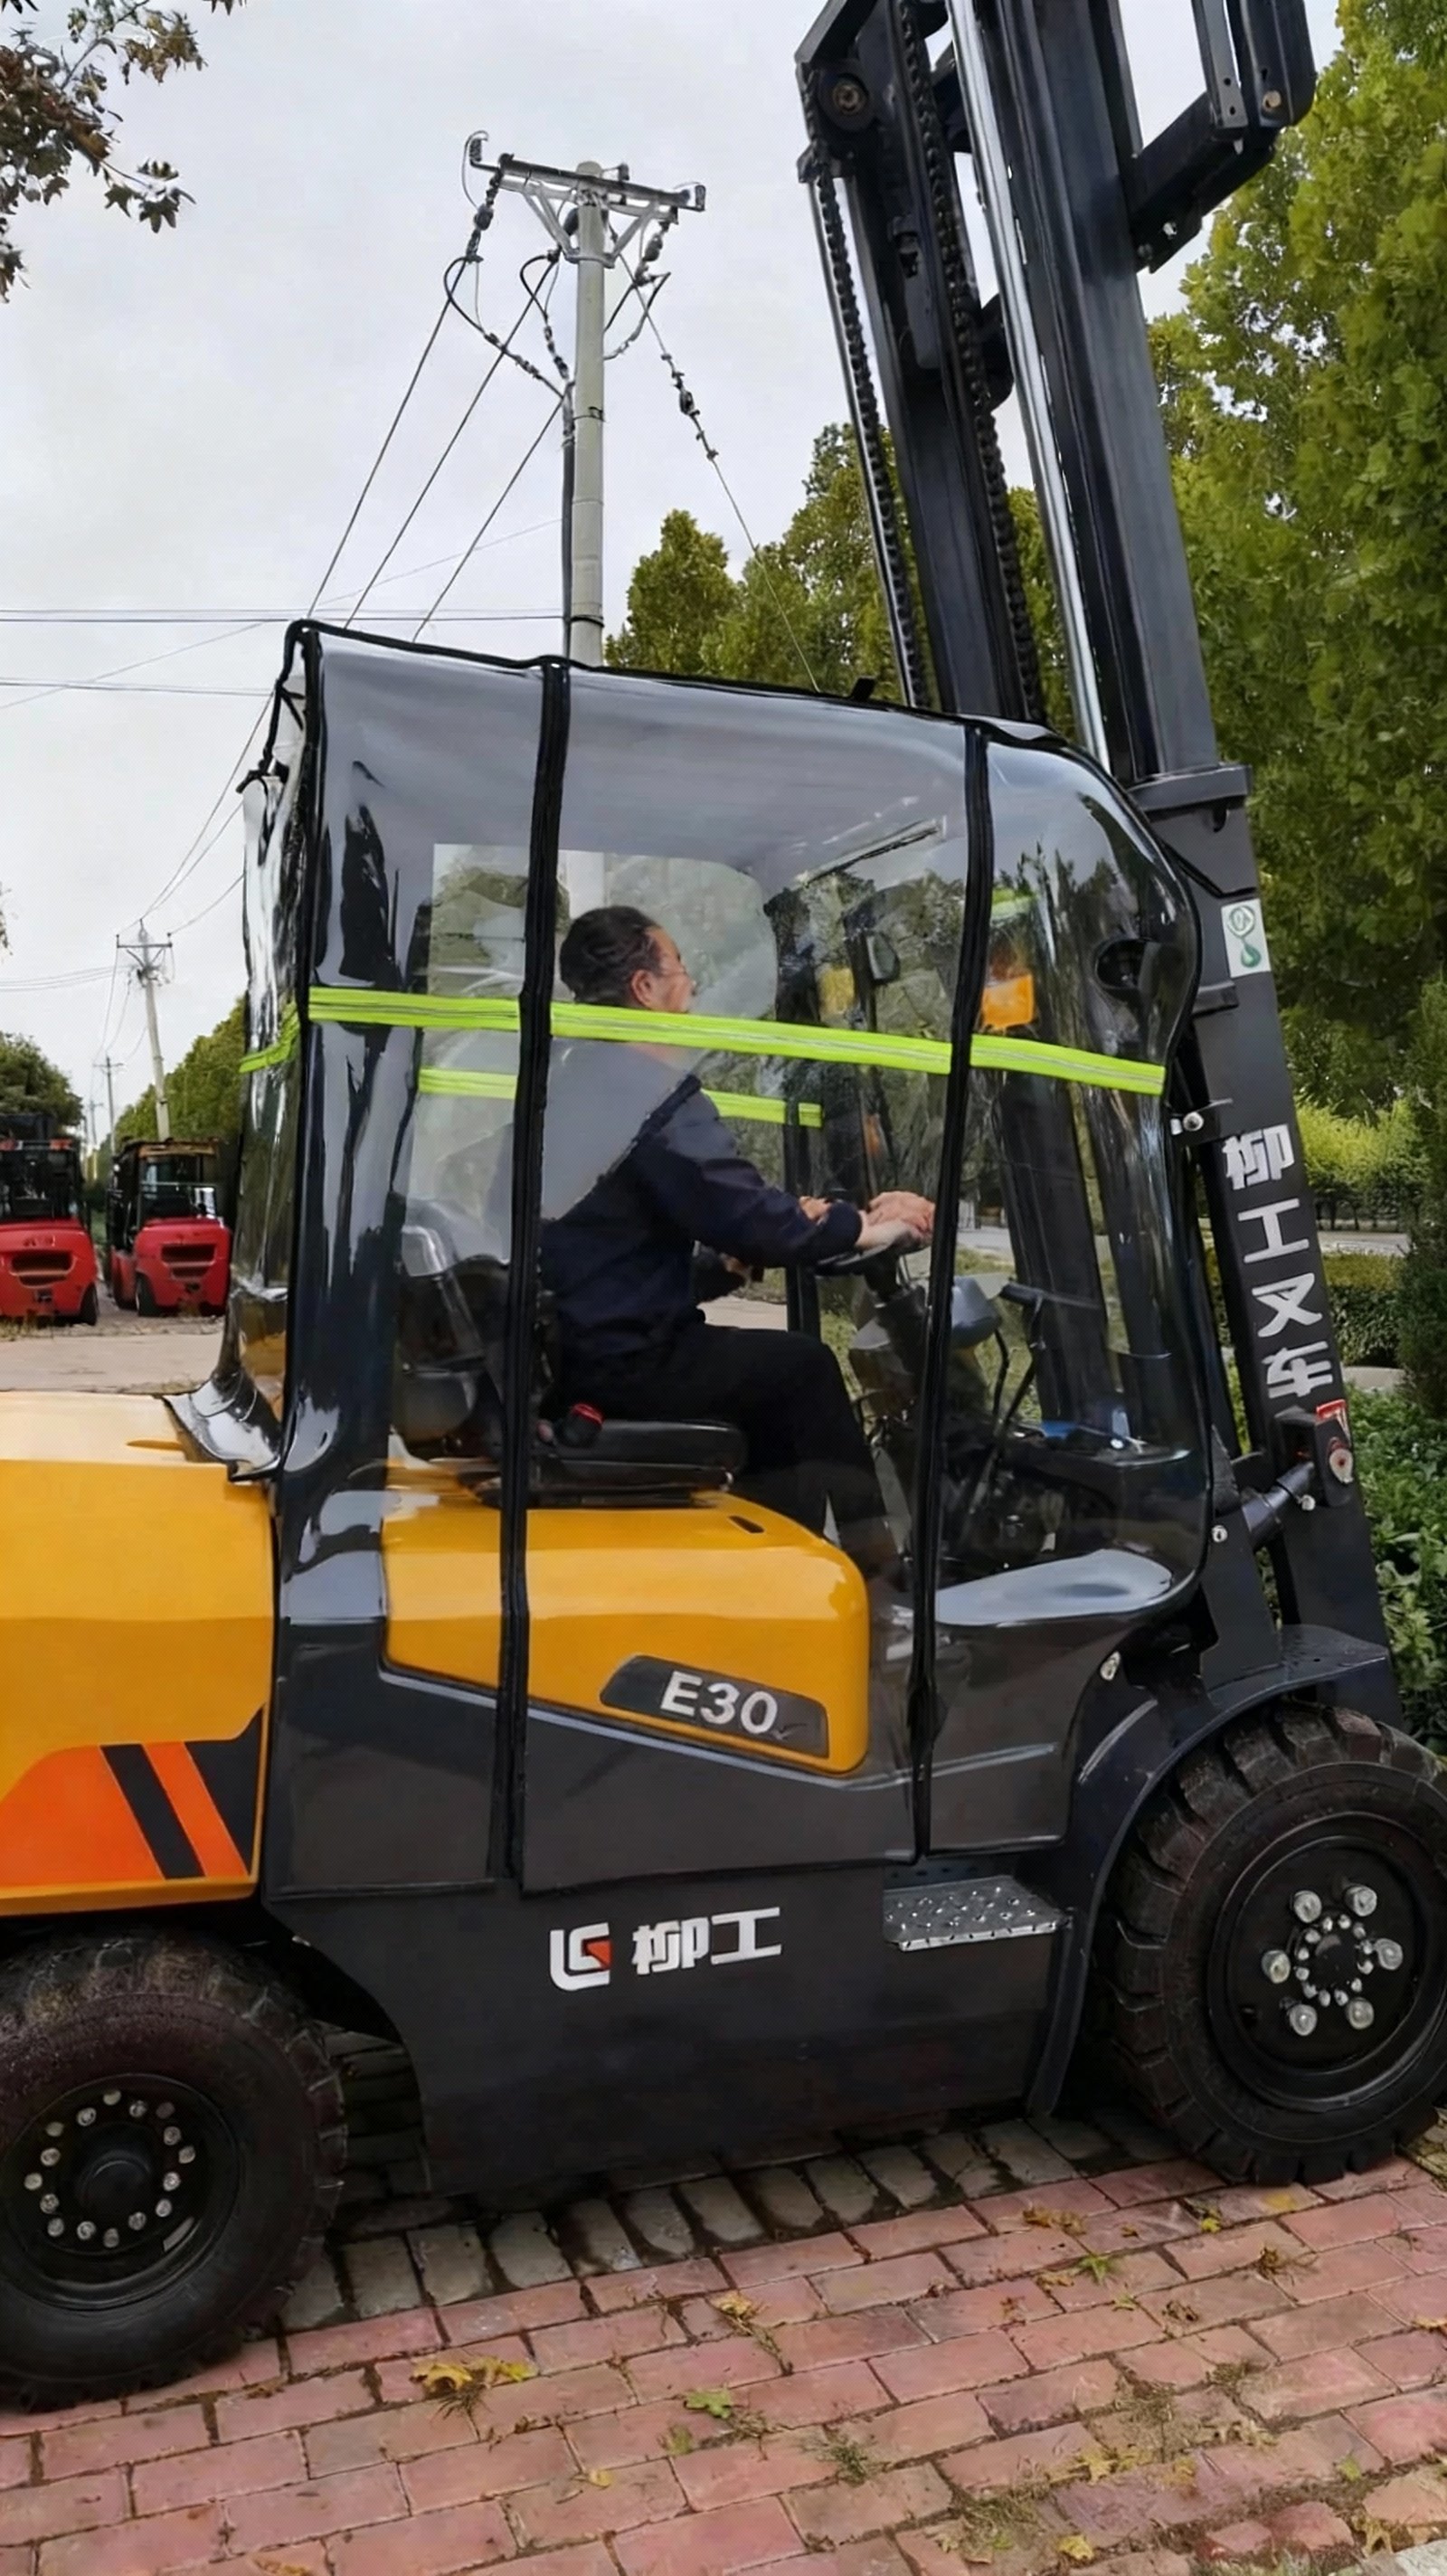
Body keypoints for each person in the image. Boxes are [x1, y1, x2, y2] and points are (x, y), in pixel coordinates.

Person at [539, 904, 934, 1568]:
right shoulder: (644, 1093)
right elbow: (740, 1210)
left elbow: (613, 1245)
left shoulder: (571, 1084)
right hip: (619, 1363)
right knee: (802, 1369)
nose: (691, 988)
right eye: (681, 969)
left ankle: (780, 1564)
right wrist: (867, 1226)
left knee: (766, 1381)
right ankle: (881, 1574)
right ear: (645, 988)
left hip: (575, 1350)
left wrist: (721, 1265)